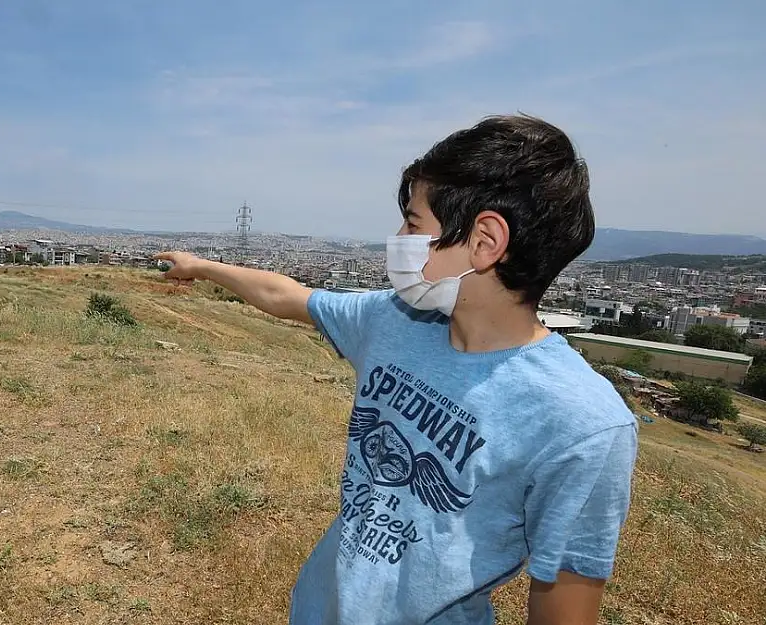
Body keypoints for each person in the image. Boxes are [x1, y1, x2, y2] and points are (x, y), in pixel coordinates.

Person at [154, 114, 638, 625]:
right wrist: (202, 267)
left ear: (484, 240)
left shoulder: (582, 425)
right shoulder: (395, 320)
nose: (398, 237)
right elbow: (289, 296)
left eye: (413, 223)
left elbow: (564, 609)